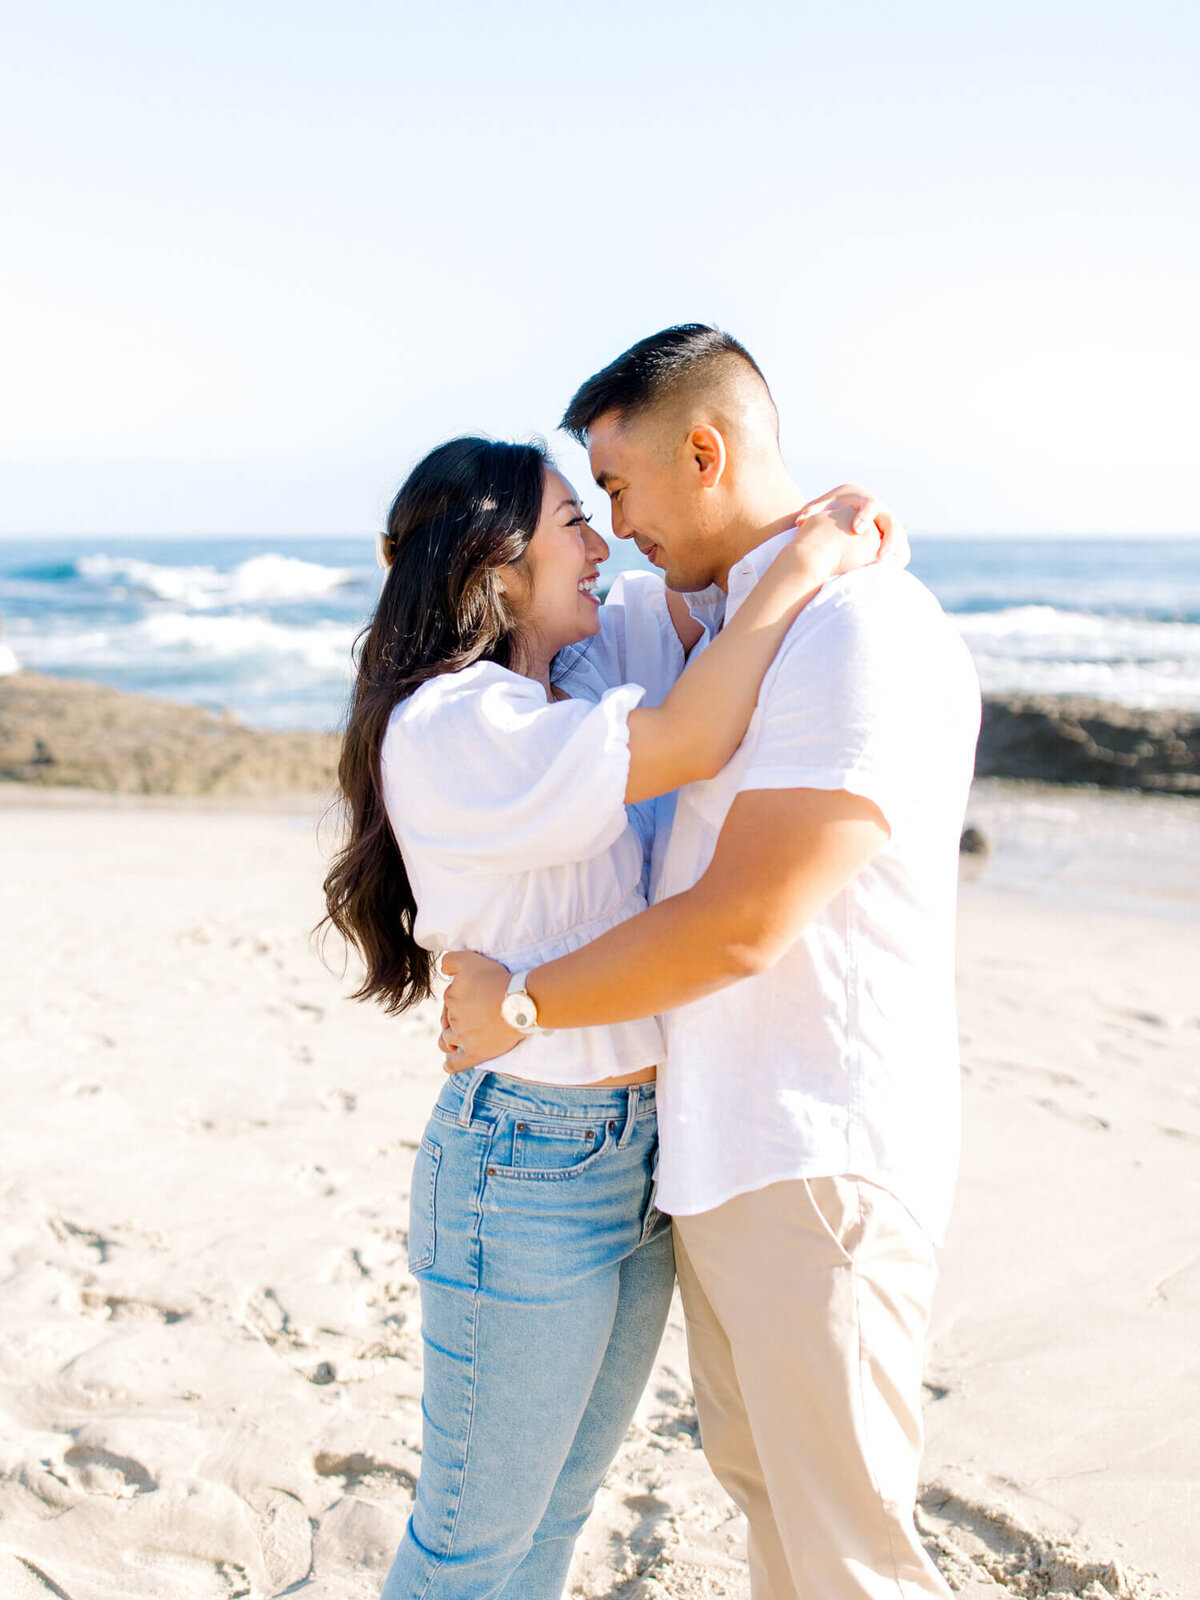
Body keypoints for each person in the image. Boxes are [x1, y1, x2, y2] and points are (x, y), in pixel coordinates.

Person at [439, 326, 983, 1600]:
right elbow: (576, 622)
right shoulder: (738, 619)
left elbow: (746, 919)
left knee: (852, 1555)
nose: (617, 527)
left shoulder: (857, 632)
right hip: (731, 1162)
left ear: (705, 450)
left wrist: (523, 1003)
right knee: (778, 1525)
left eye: (621, 490)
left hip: (821, 1167)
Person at [320, 432, 891, 1600]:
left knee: (558, 1514)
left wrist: (821, 528)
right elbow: (693, 735)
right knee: (471, 1545)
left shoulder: (567, 677)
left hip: (638, 1158)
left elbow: (693, 584)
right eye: (574, 521)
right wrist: (802, 570)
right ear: (498, 562)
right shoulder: (455, 724)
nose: (603, 541)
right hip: (524, 1162)